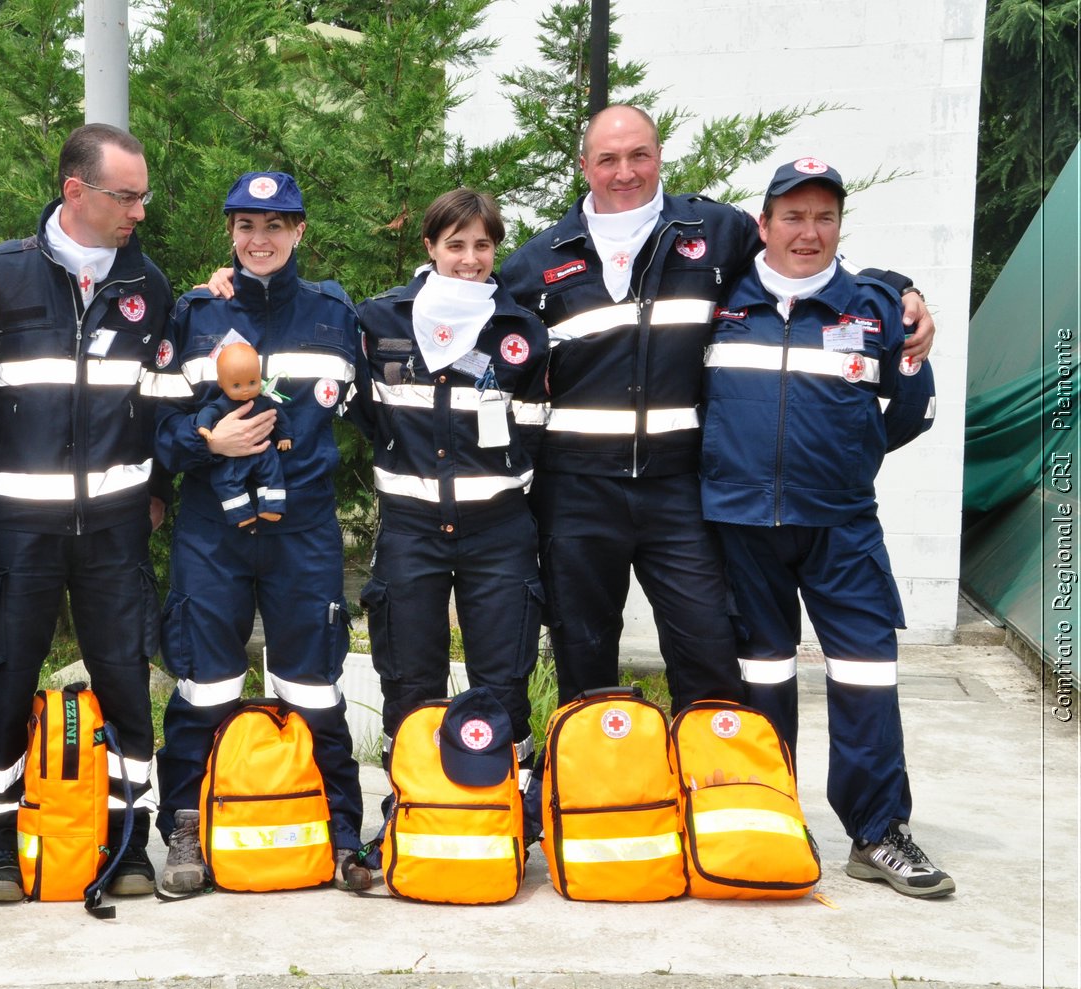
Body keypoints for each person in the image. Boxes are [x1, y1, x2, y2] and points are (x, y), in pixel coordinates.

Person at [499, 104, 935, 711]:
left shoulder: (716, 233)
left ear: (659, 157)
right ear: (585, 166)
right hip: (576, 493)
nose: (625, 172)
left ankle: (710, 794)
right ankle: (594, 793)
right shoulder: (536, 262)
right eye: (608, 159)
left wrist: (900, 289)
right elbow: (483, 338)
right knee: (583, 654)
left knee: (709, 649)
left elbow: (801, 259)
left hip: (681, 490)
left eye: (639, 155)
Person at [699, 158, 950, 897]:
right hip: (741, 526)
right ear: (765, 223)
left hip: (841, 526)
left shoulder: (876, 309)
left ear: (840, 224)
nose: (808, 233)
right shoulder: (721, 301)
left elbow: (911, 409)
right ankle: (772, 816)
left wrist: (844, 459)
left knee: (867, 673)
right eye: (793, 216)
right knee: (761, 679)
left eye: (824, 217)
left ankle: (876, 832)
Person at [0, 124, 172, 902]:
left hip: (116, 531)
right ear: (75, 192)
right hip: (19, 528)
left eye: (143, 196)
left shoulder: (149, 288)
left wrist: (160, 495)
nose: (139, 213)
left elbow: (160, 405)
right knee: (5, 676)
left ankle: (129, 844)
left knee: (125, 679)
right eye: (126, 196)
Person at [144, 171, 367, 895]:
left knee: (313, 686)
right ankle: (186, 828)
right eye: (246, 226)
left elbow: (382, 409)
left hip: (303, 528)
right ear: (231, 233)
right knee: (203, 686)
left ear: (300, 231)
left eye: (275, 226)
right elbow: (159, 429)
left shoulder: (336, 315)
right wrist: (209, 442)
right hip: (214, 528)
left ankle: (339, 832)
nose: (259, 240)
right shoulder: (196, 314)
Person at [350, 188, 551, 779]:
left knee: (504, 678)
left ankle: (509, 806)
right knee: (410, 678)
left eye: (482, 245)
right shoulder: (379, 318)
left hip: (499, 533)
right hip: (411, 530)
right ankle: (410, 804)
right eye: (455, 244)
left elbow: (535, 429)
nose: (469, 259)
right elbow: (367, 413)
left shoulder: (522, 330)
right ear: (430, 246)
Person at [194, 340, 292, 526]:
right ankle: (241, 513)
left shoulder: (264, 401)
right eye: (237, 385)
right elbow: (208, 412)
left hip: (264, 450)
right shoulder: (223, 404)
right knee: (225, 481)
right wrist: (203, 427)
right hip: (232, 457)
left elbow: (280, 417)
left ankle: (272, 506)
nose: (246, 389)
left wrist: (285, 435)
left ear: (260, 376)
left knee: (273, 474)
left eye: (253, 382)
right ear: (221, 383)